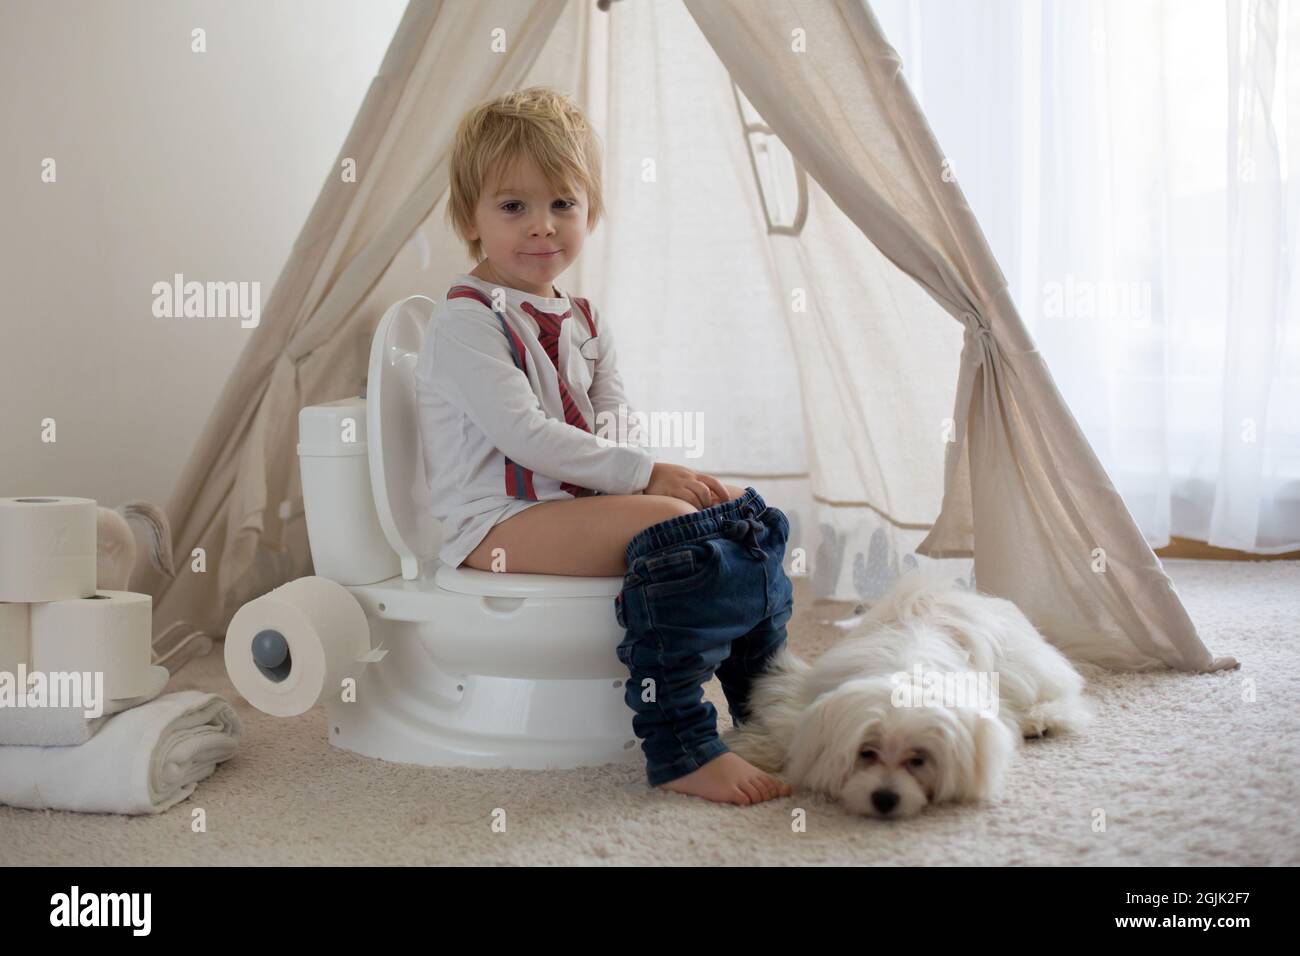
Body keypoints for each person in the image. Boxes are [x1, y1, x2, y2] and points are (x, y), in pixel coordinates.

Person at [415, 86, 794, 806]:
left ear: (591, 210)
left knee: (748, 521)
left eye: (563, 203)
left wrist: (650, 476)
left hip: (572, 508)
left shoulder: (583, 315)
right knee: (679, 534)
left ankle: (770, 710)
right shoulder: (466, 321)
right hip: (494, 524)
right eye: (512, 206)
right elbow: (525, 432)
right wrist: (650, 479)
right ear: (469, 217)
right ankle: (681, 742)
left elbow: (613, 419)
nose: (542, 227)